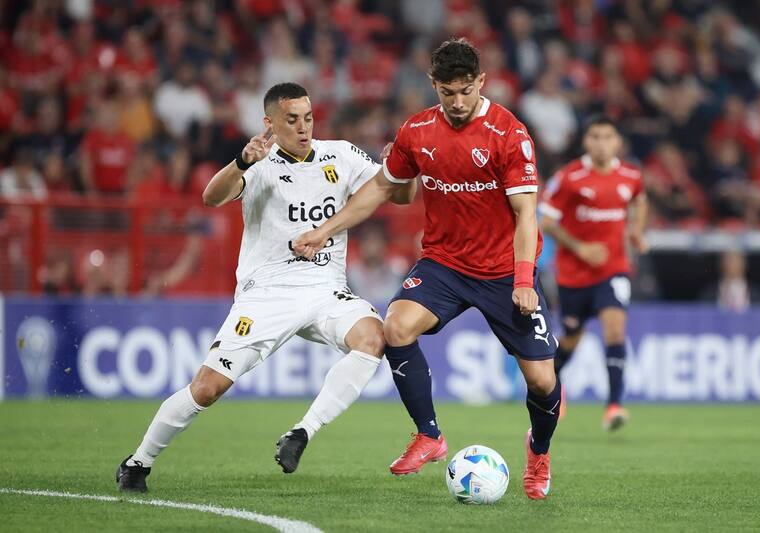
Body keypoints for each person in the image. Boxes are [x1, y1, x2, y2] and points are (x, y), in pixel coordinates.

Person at [294, 39, 560, 500]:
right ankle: (430, 435)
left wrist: (522, 280)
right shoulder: (417, 132)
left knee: (541, 380)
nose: (457, 103)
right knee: (395, 326)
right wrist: (325, 230)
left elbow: (526, 215)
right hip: (444, 263)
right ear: (433, 85)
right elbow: (381, 188)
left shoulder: (509, 134)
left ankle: (538, 449)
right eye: (447, 93)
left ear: (481, 82)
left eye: (465, 91)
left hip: (502, 269)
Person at [116, 82, 395, 492]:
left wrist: (396, 168)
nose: (303, 127)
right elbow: (211, 198)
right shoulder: (259, 163)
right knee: (207, 389)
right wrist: (241, 163)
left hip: (325, 288)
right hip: (267, 293)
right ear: (269, 123)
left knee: (373, 338)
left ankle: (301, 432)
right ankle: (139, 461)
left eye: (308, 117)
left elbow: (396, 193)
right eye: (291, 120)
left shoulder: (342, 153)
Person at [538, 115, 648, 431]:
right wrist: (580, 248)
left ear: (617, 142)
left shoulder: (630, 175)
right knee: (571, 338)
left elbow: (640, 200)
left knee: (615, 330)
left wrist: (636, 232)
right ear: (587, 141)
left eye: (608, 136)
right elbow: (546, 222)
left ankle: (614, 405)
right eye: (596, 136)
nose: (602, 142)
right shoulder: (570, 177)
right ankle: (554, 383)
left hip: (613, 270)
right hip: (574, 274)